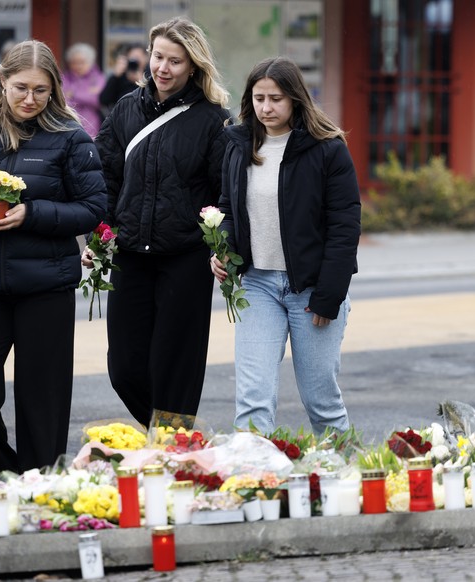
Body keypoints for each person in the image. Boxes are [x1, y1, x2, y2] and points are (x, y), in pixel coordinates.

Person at [0, 40, 107, 482]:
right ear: (2, 81)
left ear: (54, 91)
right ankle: (5, 470)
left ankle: (38, 488)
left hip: (47, 287)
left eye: (42, 91)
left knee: (41, 403)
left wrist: (33, 213)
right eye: (21, 88)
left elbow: (93, 207)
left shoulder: (71, 135)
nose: (31, 99)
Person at [90, 17, 231, 429]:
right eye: (158, 57)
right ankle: (173, 437)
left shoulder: (212, 120)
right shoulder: (125, 110)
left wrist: (223, 245)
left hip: (185, 258)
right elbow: (106, 179)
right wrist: (99, 236)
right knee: (125, 369)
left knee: (177, 366)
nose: (163, 68)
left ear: (194, 66)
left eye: (175, 61)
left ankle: (171, 447)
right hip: (130, 255)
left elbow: (225, 194)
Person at [212, 57, 361, 435]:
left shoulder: (327, 150)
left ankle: (346, 481)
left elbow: (345, 228)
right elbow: (229, 209)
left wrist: (329, 296)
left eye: (275, 98)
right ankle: (254, 484)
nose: (266, 107)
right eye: (259, 98)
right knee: (253, 399)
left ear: (296, 98)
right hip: (257, 286)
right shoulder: (238, 143)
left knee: (321, 402)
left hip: (312, 290)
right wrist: (223, 251)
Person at [62, 42, 106, 137]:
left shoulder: (98, 78)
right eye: (74, 62)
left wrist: (74, 95)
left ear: (90, 62)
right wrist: (87, 94)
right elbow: (64, 102)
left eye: (82, 62)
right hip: (69, 125)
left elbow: (98, 100)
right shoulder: (64, 78)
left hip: (93, 126)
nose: (78, 66)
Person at [99, 42, 149, 113]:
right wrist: (115, 76)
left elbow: (153, 99)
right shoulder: (120, 75)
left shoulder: (150, 74)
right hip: (121, 116)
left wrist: (141, 82)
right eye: (132, 57)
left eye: (138, 57)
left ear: (146, 58)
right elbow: (104, 100)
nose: (135, 61)